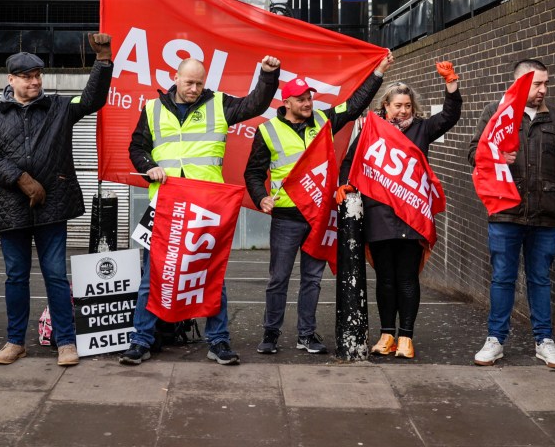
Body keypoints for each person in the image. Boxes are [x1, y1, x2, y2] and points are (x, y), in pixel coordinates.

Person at [121, 56, 281, 366]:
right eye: (189, 82)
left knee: (211, 276)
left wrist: (267, 75)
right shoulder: (153, 109)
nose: (194, 88)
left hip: (205, 206)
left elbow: (254, 105)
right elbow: (136, 148)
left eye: (199, 83)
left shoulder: (219, 103)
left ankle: (218, 342)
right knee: (151, 276)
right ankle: (141, 340)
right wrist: (149, 167)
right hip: (165, 205)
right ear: (176, 78)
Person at [0, 35, 113, 368]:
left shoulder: (59, 107)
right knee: (16, 277)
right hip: (11, 208)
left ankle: (65, 342)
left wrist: (103, 60)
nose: (34, 81)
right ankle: (14, 342)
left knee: (54, 274)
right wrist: (22, 180)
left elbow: (93, 98)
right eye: (26, 76)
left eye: (37, 75)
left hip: (53, 207)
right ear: (11, 80)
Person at [245, 54, 393, 355]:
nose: (307, 103)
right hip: (286, 215)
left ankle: (306, 334)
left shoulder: (324, 120)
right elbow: (253, 172)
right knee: (279, 279)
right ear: (285, 103)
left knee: (312, 279)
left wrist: (378, 72)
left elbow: (354, 106)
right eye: (300, 99)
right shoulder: (267, 131)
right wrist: (261, 196)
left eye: (309, 97)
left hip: (319, 215)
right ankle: (271, 333)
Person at [340, 63, 462, 359]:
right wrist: (345, 186)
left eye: (408, 105)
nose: (403, 111)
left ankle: (406, 337)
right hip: (379, 214)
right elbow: (349, 161)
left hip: (412, 215)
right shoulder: (371, 130)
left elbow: (449, 117)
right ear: (385, 105)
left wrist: (451, 84)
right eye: (398, 105)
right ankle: (386, 335)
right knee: (385, 278)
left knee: (407, 277)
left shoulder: (422, 128)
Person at [468, 59, 555, 368]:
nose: (543, 90)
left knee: (540, 279)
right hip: (506, 214)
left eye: (546, 83)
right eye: (537, 84)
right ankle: (495, 340)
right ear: (519, 84)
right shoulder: (496, 113)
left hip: (545, 216)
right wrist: (495, 156)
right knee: (503, 278)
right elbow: (473, 154)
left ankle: (544, 341)